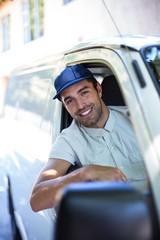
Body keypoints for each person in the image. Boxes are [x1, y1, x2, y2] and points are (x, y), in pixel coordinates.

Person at [30, 64, 147, 212]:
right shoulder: (68, 140)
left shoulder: (138, 118)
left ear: (98, 89)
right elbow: (36, 199)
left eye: (84, 93)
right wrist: (84, 174)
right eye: (70, 101)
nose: (80, 106)